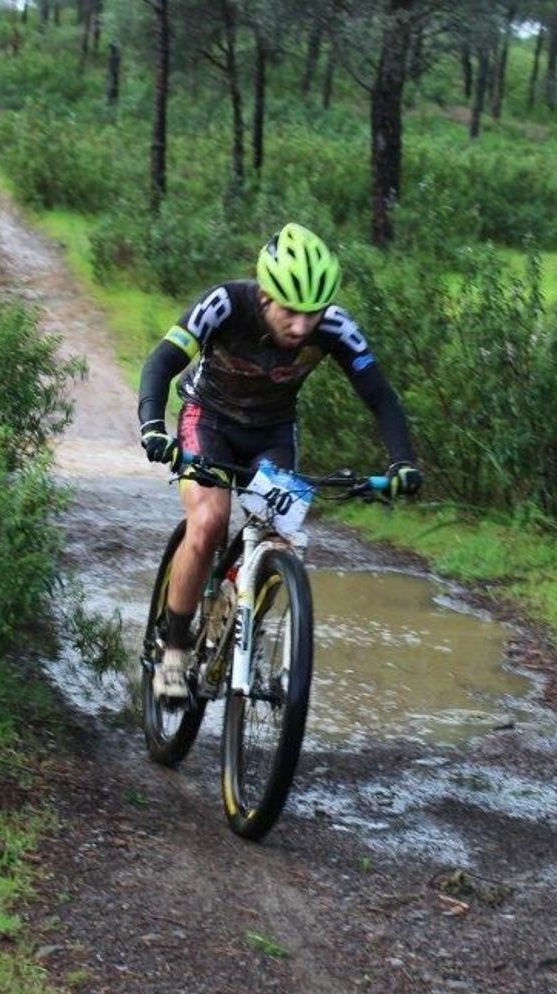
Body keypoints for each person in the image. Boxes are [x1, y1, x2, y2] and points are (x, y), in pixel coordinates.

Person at [137, 222, 421, 698]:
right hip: (209, 420)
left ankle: (243, 623)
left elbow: (379, 395)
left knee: (283, 542)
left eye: (313, 314)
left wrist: (402, 461)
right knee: (208, 523)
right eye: (290, 311)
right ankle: (176, 649)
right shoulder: (226, 303)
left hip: (272, 433)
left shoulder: (335, 326)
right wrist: (152, 426)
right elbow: (162, 361)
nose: (302, 327)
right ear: (265, 295)